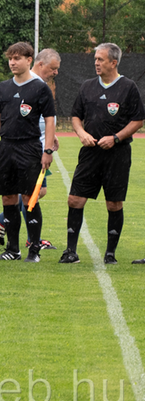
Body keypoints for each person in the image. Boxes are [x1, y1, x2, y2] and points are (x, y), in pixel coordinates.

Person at [62, 43, 145, 265]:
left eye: (100, 59)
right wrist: (81, 133)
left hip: (118, 154)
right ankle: (70, 252)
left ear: (113, 62)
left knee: (114, 203)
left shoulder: (128, 87)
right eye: (95, 59)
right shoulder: (87, 86)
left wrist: (116, 138)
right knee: (75, 199)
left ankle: (110, 254)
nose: (96, 63)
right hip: (90, 153)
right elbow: (76, 116)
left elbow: (138, 120)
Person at [0, 42, 55, 263]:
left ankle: (34, 250)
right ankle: (12, 249)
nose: (12, 62)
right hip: (6, 147)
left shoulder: (40, 88)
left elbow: (50, 120)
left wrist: (48, 149)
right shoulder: (3, 87)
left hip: (30, 147)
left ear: (29, 60)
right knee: (8, 197)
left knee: (29, 198)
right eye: (10, 58)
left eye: (17, 58)